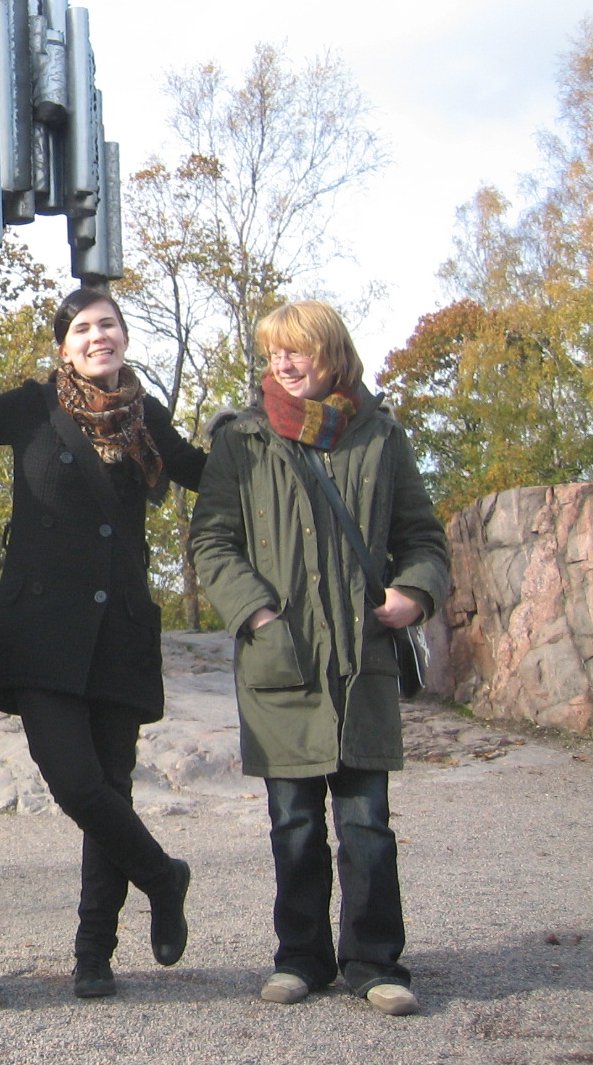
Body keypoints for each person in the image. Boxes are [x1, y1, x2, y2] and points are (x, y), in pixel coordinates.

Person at [189, 300, 449, 1016]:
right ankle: (299, 957)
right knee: (294, 823)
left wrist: (413, 595)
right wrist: (259, 613)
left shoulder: (381, 437)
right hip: (282, 660)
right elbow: (211, 541)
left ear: (331, 354)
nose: (283, 363)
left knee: (366, 822)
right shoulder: (242, 441)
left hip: (361, 658)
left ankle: (375, 962)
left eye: (296, 350)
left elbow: (424, 538)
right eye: (273, 353)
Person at [0, 287, 203, 999]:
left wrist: (263, 436)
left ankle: (93, 953)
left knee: (112, 785)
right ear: (63, 345)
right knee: (75, 782)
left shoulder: (147, 418)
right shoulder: (32, 405)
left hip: (120, 630)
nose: (97, 336)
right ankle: (164, 877)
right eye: (82, 328)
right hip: (41, 632)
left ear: (124, 337)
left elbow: (206, 472)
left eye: (108, 325)